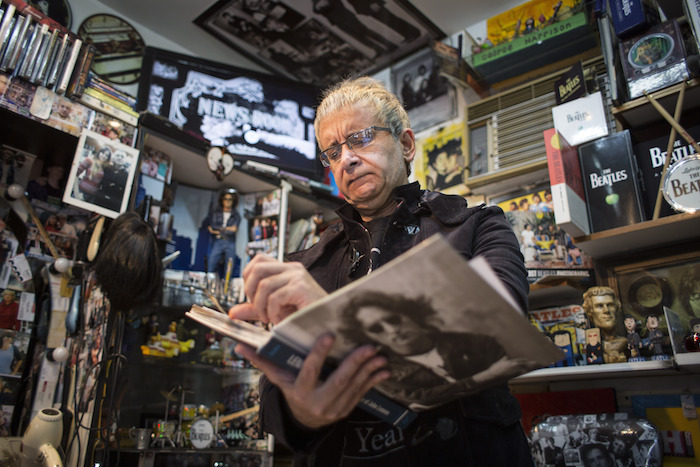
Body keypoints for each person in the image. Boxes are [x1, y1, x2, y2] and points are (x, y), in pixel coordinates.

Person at [228, 76, 531, 465]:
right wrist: (302, 411)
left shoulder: (477, 226)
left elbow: (500, 329)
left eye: (361, 138)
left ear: (406, 144)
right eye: (332, 152)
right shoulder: (305, 265)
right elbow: (274, 400)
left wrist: (335, 318)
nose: (347, 160)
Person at [339, 292, 526, 409]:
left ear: (410, 314)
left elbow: (511, 367)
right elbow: (419, 399)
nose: (391, 330)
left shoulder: (475, 342)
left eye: (393, 319)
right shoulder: (380, 371)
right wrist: (483, 377)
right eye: (376, 328)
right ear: (369, 337)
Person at [583, 286, 627, 363]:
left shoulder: (626, 342)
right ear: (590, 311)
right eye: (599, 306)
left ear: (616, 308)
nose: (606, 310)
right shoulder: (588, 346)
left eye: (610, 305)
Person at [206, 190, 241, 276]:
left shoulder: (236, 215)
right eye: (225, 199)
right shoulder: (216, 214)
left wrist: (220, 229)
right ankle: (209, 283)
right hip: (218, 240)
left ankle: (226, 287)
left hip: (230, 242)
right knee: (211, 263)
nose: (228, 201)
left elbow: (234, 229)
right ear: (222, 200)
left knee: (229, 267)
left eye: (230, 199)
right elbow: (212, 227)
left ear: (233, 201)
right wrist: (227, 229)